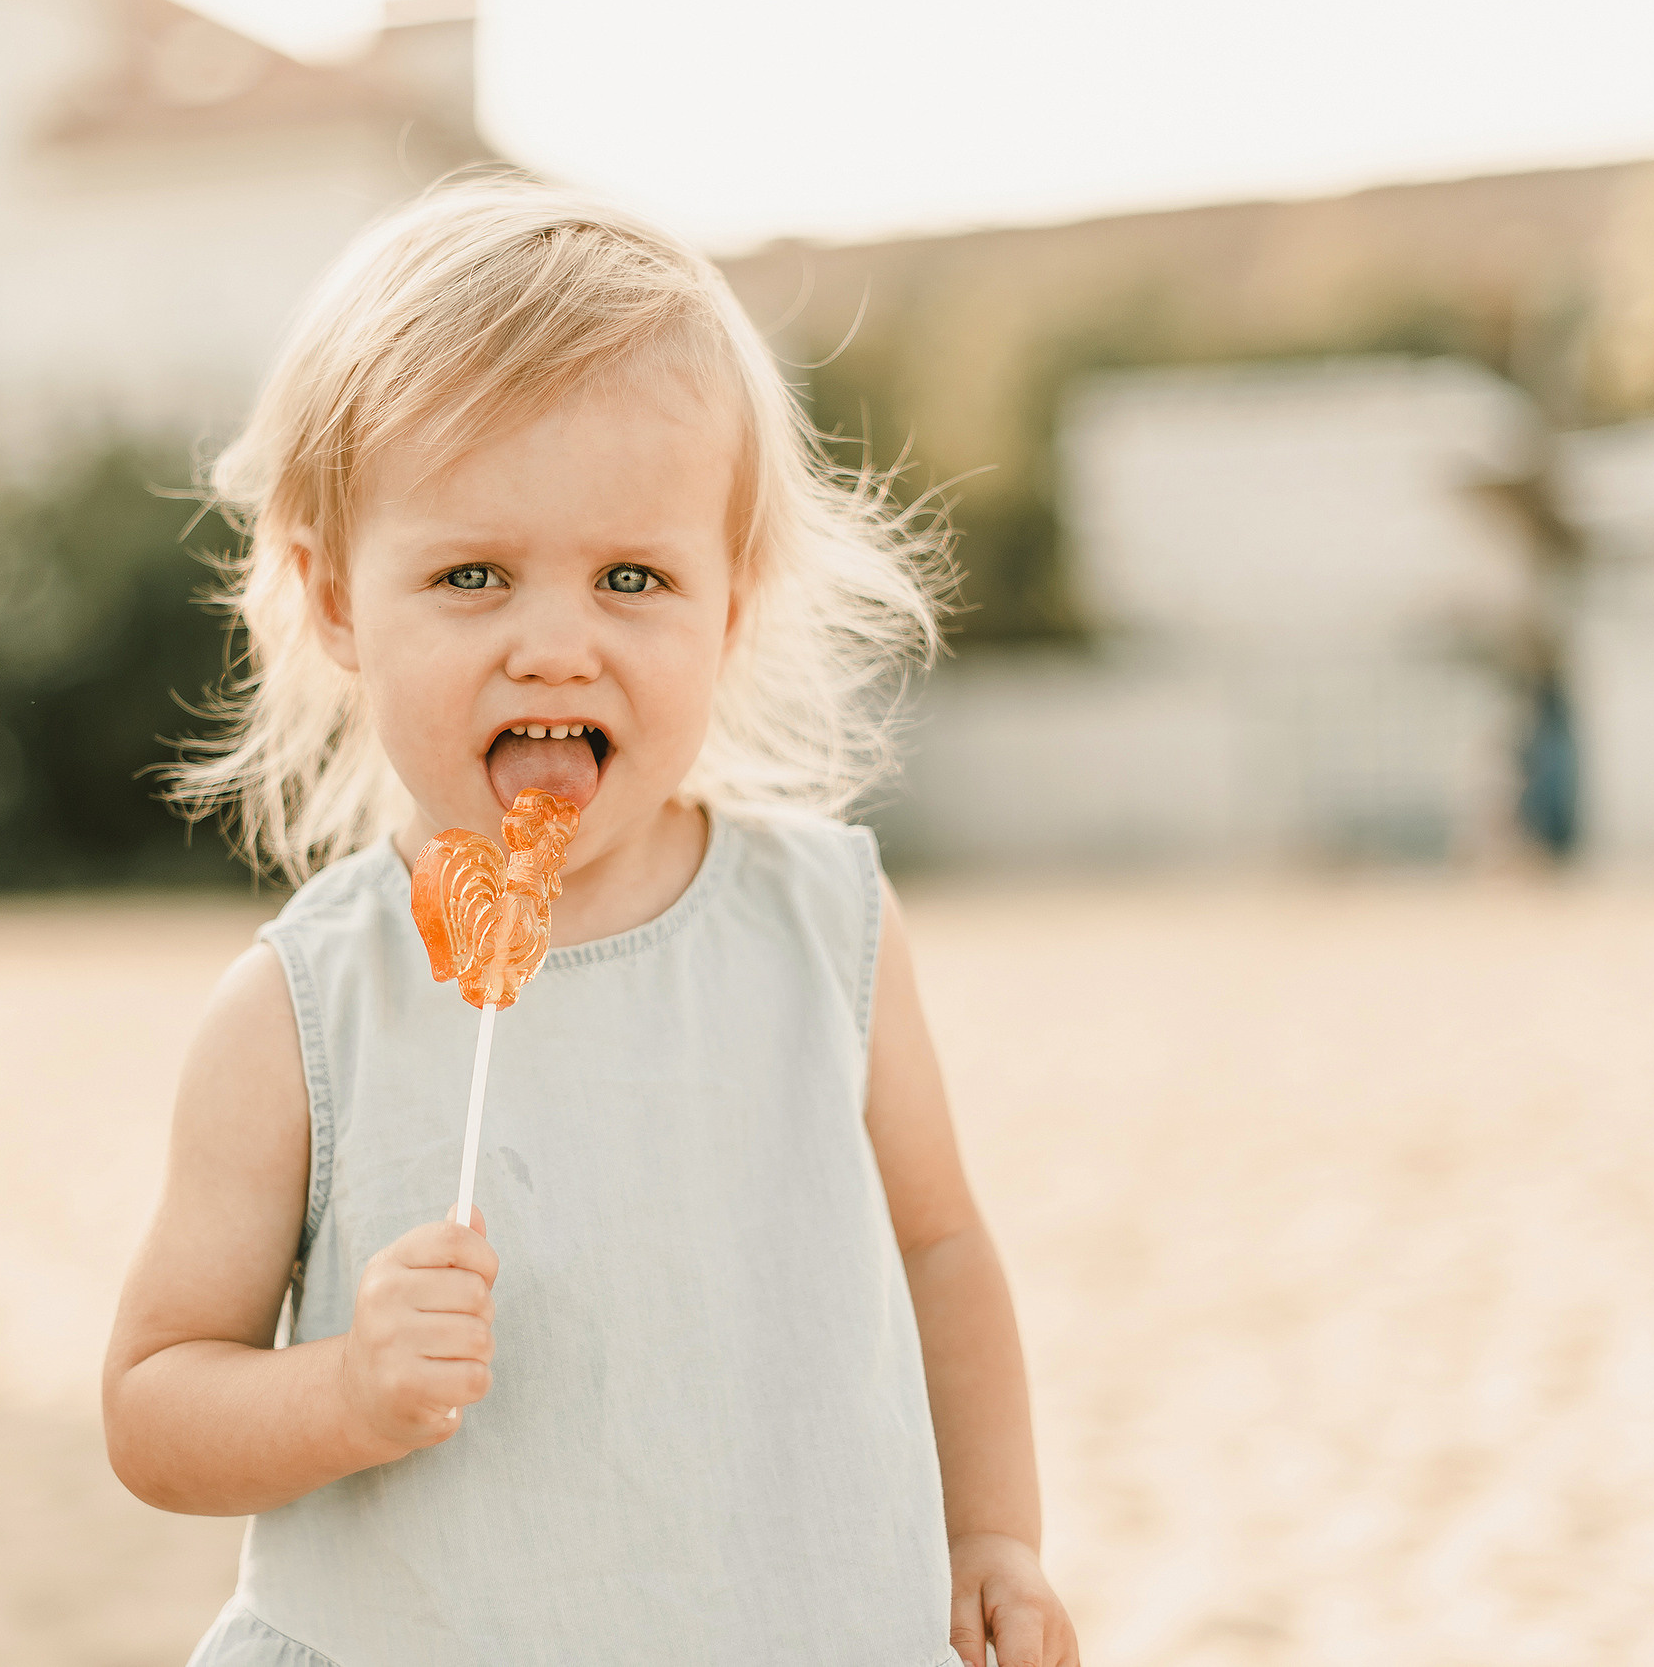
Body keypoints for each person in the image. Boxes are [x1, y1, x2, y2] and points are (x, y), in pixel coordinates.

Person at [102, 178, 1081, 1667]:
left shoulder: (826, 927)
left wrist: (993, 1534)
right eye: (471, 574)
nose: (556, 642)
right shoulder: (307, 1006)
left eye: (634, 577)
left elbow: (943, 1248)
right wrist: (350, 1387)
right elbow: (154, 1401)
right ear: (336, 601)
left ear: (731, 606)